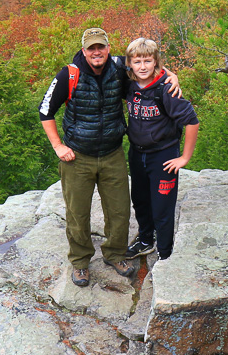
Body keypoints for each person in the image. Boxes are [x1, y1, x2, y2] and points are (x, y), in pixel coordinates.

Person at [39, 28, 179, 288]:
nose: (96, 52)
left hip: (113, 152)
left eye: (100, 47)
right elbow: (45, 110)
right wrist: (58, 146)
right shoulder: (69, 74)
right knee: (78, 214)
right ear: (84, 50)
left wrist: (172, 76)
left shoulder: (118, 67)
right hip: (77, 157)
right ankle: (80, 262)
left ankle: (114, 254)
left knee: (119, 211)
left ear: (107, 48)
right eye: (91, 48)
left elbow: (147, 72)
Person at [122, 37, 199, 263]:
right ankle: (146, 240)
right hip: (137, 153)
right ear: (130, 64)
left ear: (156, 63)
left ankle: (165, 256)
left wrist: (184, 158)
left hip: (163, 156)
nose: (142, 67)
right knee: (140, 200)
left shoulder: (166, 90)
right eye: (137, 62)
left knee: (162, 209)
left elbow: (192, 121)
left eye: (148, 61)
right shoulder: (129, 84)